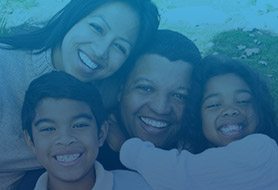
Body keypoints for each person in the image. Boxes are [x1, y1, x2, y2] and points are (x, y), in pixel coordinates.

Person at [0, 0, 159, 189]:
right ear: (73, 18)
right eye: (97, 28)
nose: (100, 51)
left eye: (120, 47)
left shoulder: (108, 92)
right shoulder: (5, 68)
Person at [119, 55, 278, 190]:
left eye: (243, 101)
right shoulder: (204, 155)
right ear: (198, 117)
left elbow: (180, 174)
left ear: (260, 108)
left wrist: (126, 147)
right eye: (214, 105)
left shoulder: (261, 149)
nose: (230, 110)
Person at [21, 71, 153, 190]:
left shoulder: (140, 185)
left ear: (101, 133)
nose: (66, 139)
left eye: (79, 125)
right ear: (30, 141)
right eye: (48, 128)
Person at [98, 29, 202, 170]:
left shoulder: (209, 153)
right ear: (120, 89)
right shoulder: (83, 157)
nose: (160, 108)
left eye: (179, 96)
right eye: (146, 88)